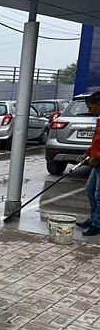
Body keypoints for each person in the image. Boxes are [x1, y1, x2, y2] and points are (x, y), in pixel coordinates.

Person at [78, 91, 100, 236]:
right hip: (97, 162)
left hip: (99, 161)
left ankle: (97, 224)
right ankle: (94, 218)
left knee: (99, 194)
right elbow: (97, 142)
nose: (89, 110)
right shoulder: (99, 121)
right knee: (89, 190)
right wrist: (87, 153)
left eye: (91, 107)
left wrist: (96, 157)